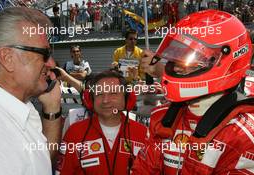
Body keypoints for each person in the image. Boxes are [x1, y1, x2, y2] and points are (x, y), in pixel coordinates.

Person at [132, 10, 254, 174]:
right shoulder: (161, 117)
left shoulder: (242, 133)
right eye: (176, 59)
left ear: (225, 61)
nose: (176, 67)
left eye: (191, 61)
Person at [0, 7, 62, 175]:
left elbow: (39, 159)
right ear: (8, 58)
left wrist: (52, 108)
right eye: (44, 54)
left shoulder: (20, 109)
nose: (51, 63)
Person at [55, 70, 148, 175]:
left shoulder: (143, 134)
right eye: (99, 94)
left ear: (127, 99)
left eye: (113, 93)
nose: (105, 100)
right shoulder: (74, 133)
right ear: (91, 100)